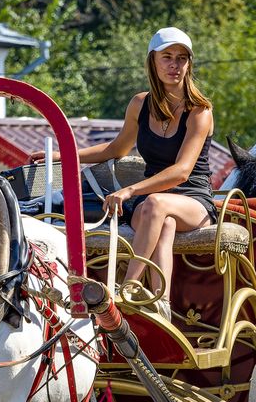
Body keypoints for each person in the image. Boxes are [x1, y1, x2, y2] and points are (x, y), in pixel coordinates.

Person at [30, 26, 216, 321]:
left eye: (182, 58)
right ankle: (161, 304)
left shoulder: (199, 111)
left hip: (193, 200)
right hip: (155, 203)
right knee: (162, 222)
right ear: (152, 62)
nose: (174, 65)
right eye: (167, 57)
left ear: (189, 64)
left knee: (155, 206)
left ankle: (127, 287)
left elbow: (181, 172)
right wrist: (60, 156)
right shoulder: (140, 104)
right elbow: (117, 148)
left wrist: (130, 190)